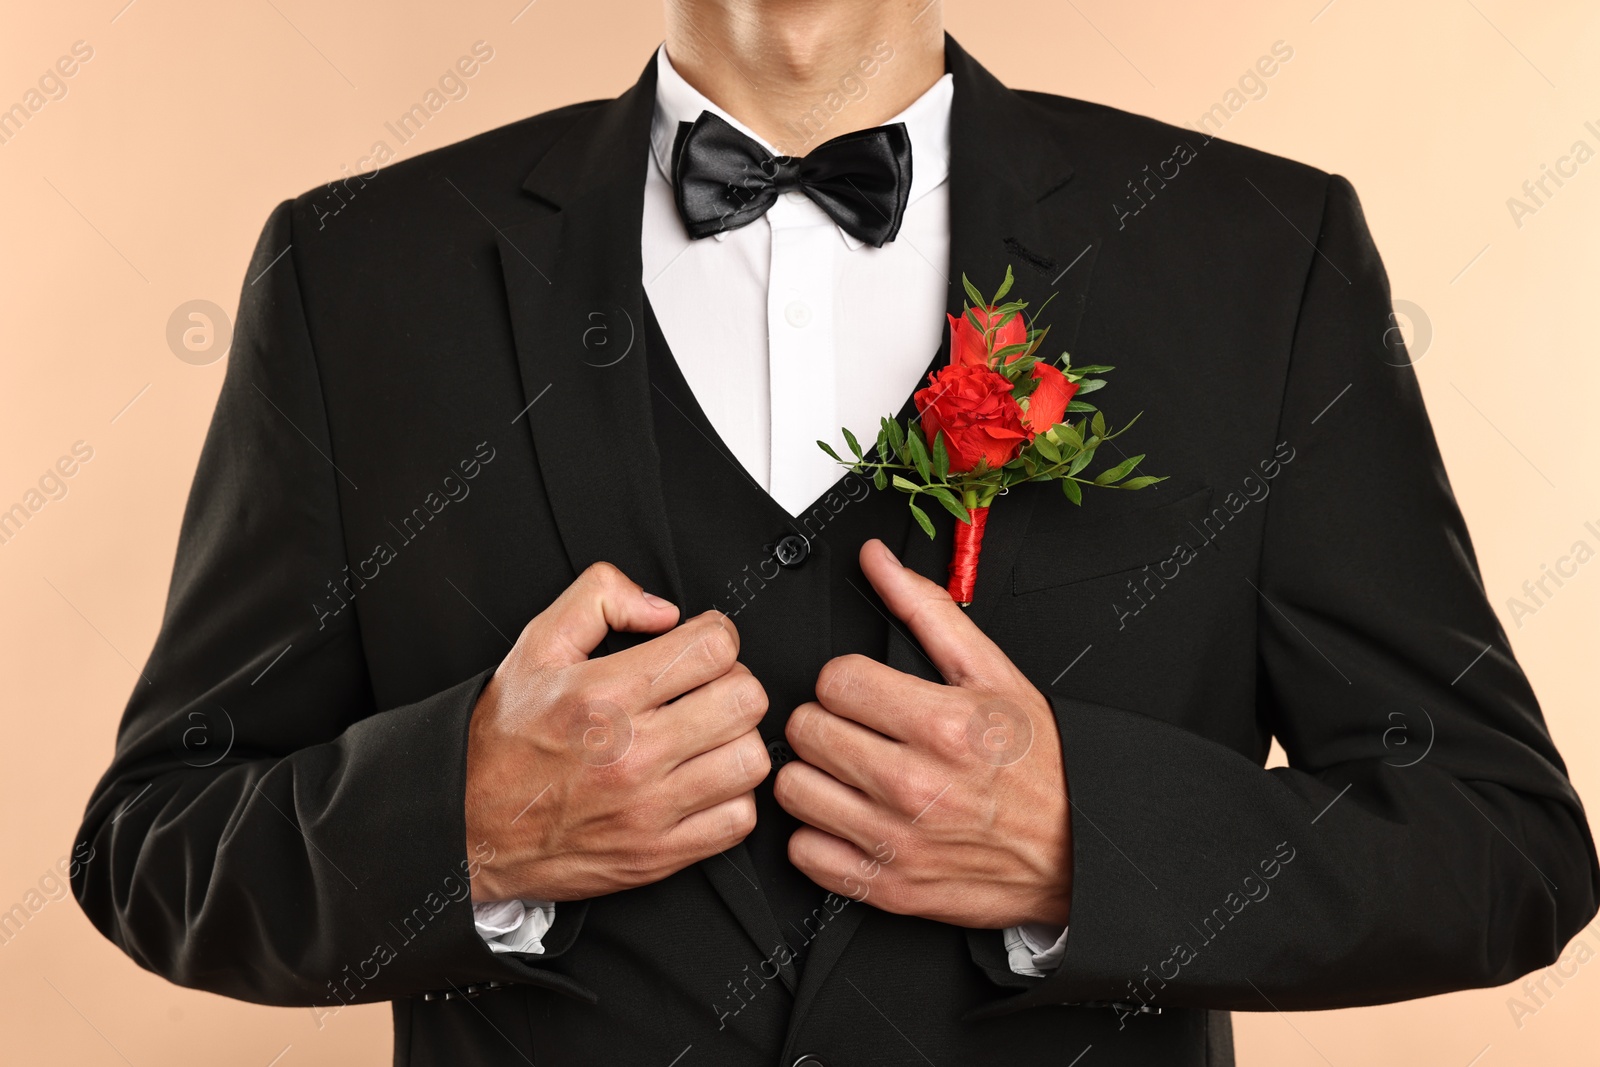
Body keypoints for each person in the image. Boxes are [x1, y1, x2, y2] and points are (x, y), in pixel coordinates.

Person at [72, 2, 1598, 1064]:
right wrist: (462, 829)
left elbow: (1500, 846)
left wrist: (1090, 847)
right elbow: (155, 844)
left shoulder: (1257, 254)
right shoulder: (358, 274)